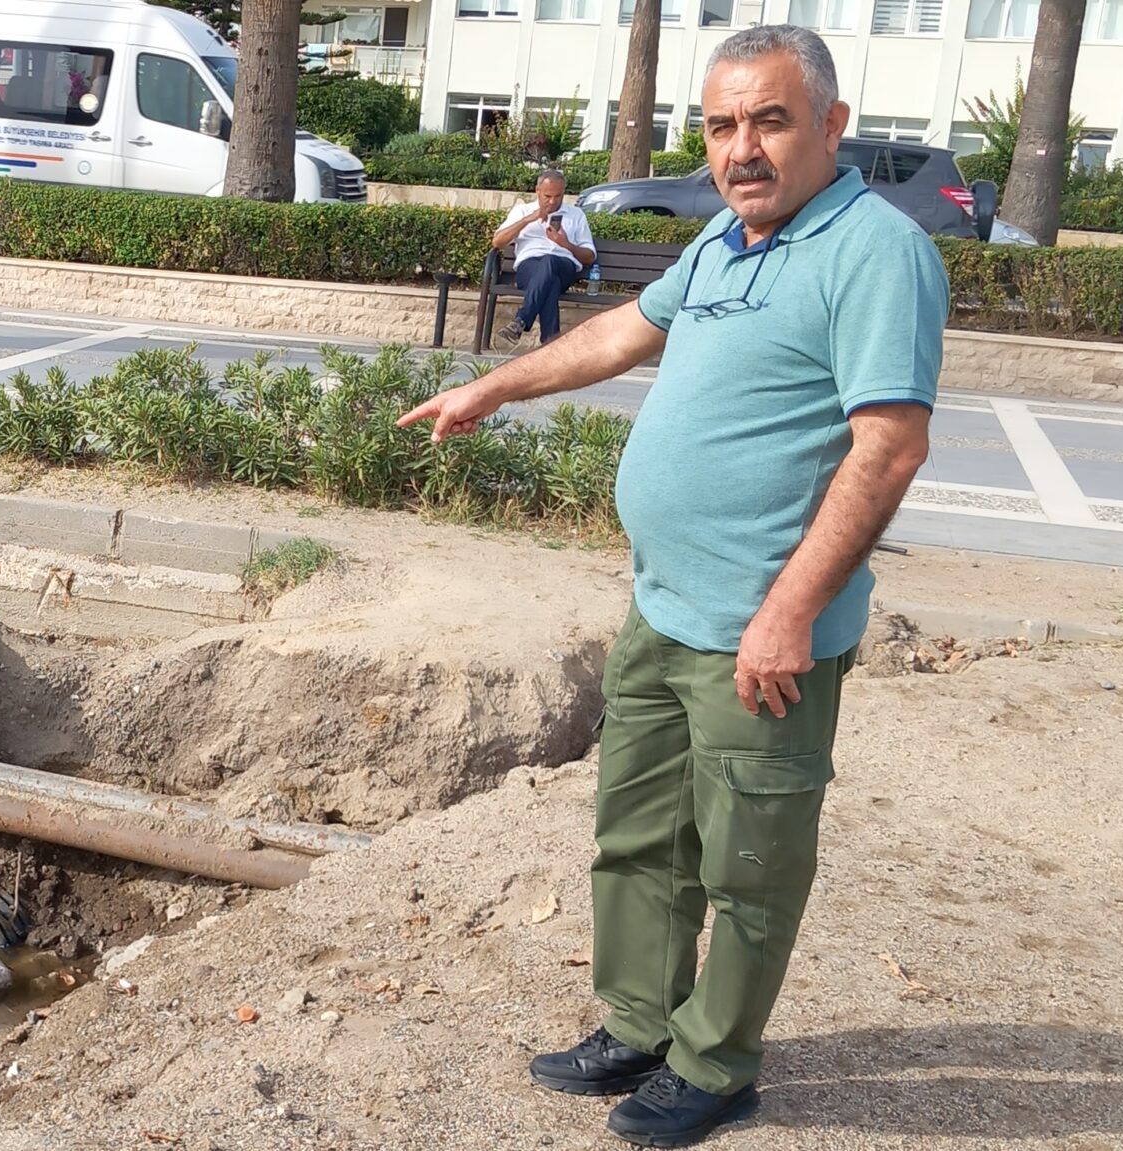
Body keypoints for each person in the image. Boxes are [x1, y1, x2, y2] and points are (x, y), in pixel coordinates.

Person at [399, 24, 943, 1148]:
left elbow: (887, 446)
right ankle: (642, 1021)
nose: (740, 147)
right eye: (720, 124)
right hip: (663, 608)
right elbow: (615, 334)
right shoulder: (724, 244)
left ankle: (715, 1062)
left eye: (769, 119)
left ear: (830, 127)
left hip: (759, 629)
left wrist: (789, 610)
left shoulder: (875, 252)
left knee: (748, 861)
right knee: (639, 834)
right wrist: (494, 386)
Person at [493, 169, 595, 345]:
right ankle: (550, 342)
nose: (553, 201)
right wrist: (527, 220)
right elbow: (497, 242)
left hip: (564, 266)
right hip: (529, 268)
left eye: (558, 196)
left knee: (550, 261)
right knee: (550, 283)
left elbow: (589, 257)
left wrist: (566, 244)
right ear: (537, 191)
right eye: (547, 196)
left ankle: (522, 319)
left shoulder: (576, 215)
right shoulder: (523, 210)